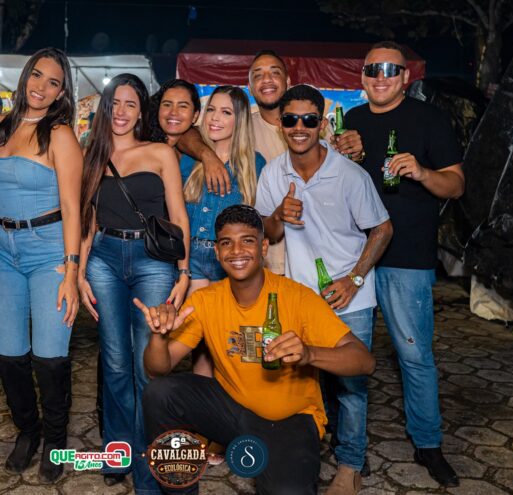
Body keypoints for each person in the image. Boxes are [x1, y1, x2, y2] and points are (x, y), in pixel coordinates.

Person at [139, 204, 376, 495]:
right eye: (227, 243)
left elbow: (364, 361)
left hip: (291, 421)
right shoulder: (205, 300)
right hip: (234, 412)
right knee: (160, 394)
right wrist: (158, 337)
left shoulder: (298, 298)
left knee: (287, 491)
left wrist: (309, 353)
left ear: (263, 247)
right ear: (217, 252)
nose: (236, 251)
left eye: (247, 241)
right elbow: (157, 370)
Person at [255, 84, 393, 495]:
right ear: (281, 124)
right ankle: (312, 448)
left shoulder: (349, 174)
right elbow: (268, 232)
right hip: (302, 296)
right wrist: (278, 214)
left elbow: (383, 229)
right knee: (306, 377)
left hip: (351, 296)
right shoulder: (273, 172)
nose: (299, 127)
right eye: (291, 119)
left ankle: (350, 465)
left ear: (322, 123)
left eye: (309, 119)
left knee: (351, 385)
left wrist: (354, 280)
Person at [345, 41, 465, 487]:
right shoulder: (350, 122)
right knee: (348, 353)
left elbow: (456, 185)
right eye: (372, 68)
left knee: (414, 355)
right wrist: (342, 154)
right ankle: (349, 446)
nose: (381, 76)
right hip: (354, 256)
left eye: (390, 69)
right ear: (362, 76)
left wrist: (422, 172)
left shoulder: (429, 119)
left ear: (405, 77)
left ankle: (427, 444)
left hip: (408, 257)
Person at [78, 73, 190, 493]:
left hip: (152, 262)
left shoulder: (160, 152)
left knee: (148, 366)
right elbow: (88, 220)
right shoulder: (92, 154)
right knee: (114, 363)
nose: (122, 112)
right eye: (115, 103)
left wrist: (183, 272)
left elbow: (178, 215)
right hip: (103, 260)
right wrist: (79, 273)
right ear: (105, 108)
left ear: (141, 112)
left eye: (131, 104)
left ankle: (148, 469)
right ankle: (117, 451)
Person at [0, 47, 82, 483]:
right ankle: (28, 430)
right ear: (24, 77)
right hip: (0, 250)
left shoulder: (59, 135)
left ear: (61, 93)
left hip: (48, 251)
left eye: (53, 82)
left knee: (50, 356)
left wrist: (72, 273)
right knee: (9, 353)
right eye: (36, 75)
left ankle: (55, 441)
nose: (41, 87)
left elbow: (73, 208)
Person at [248, 50, 366, 276]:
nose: (267, 79)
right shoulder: (241, 129)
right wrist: (207, 155)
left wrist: (357, 154)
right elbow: (191, 132)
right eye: (258, 75)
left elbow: (346, 173)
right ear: (250, 87)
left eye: (274, 72)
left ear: (287, 81)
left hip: (321, 262)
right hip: (270, 263)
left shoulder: (318, 127)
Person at [180, 85, 265, 380]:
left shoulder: (255, 164)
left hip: (230, 260)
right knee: (200, 340)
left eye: (225, 112)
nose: (214, 118)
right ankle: (203, 402)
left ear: (239, 120)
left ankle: (236, 401)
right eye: (211, 110)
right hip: (192, 256)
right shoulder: (190, 158)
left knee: (231, 341)